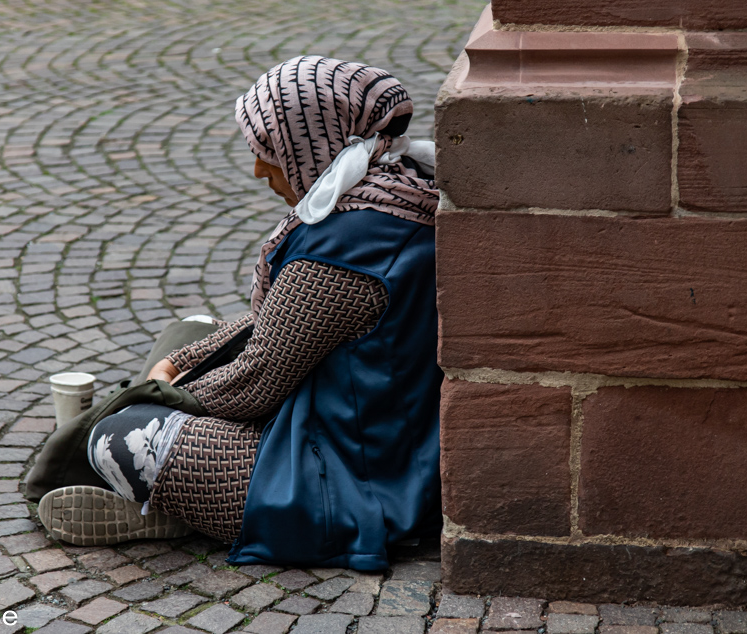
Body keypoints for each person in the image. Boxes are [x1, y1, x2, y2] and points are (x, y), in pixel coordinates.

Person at [36, 55, 443, 571]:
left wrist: (158, 395)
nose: (258, 168)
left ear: (308, 145)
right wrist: (185, 359)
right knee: (189, 332)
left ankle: (174, 508)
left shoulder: (344, 249)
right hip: (369, 430)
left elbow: (257, 381)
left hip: (351, 483)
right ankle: (168, 499)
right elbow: (284, 327)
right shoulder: (395, 193)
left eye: (268, 151)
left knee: (118, 435)